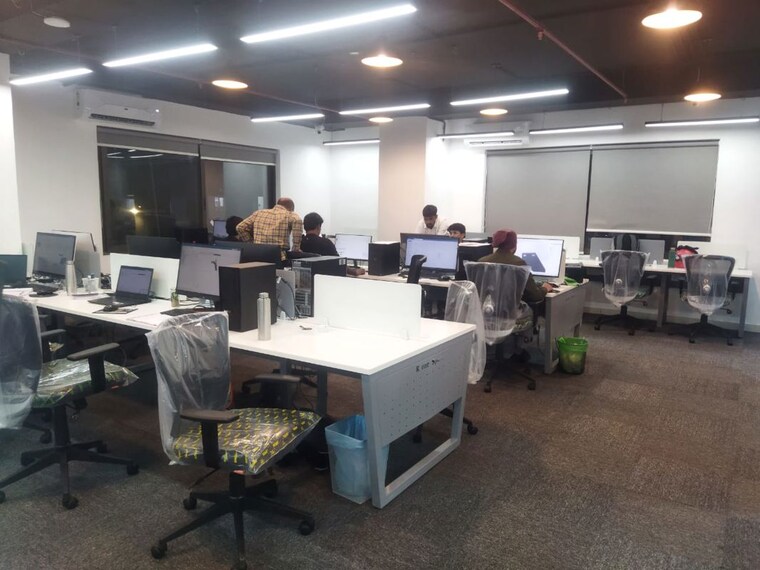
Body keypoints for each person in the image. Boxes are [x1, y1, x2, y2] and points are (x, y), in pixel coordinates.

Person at [478, 229, 553, 303]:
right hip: (510, 309)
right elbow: (535, 296)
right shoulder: (518, 263)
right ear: (514, 245)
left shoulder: (482, 261)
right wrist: (545, 288)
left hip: (485, 308)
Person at [236, 197, 303, 259]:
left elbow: (240, 227)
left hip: (256, 254)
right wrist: (296, 248)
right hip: (278, 255)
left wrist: (251, 243)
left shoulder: (259, 213)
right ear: (291, 208)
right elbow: (298, 223)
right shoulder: (291, 215)